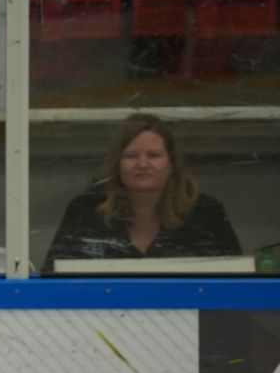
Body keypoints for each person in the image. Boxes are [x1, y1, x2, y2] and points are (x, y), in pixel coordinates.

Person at [42, 114, 242, 272]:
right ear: (117, 165)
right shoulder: (85, 211)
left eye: (153, 155)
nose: (143, 164)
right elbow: (52, 282)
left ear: (171, 164)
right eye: (131, 156)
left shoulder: (206, 213)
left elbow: (237, 287)